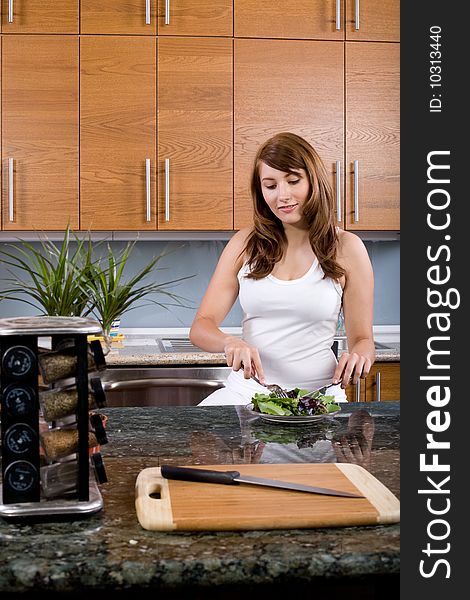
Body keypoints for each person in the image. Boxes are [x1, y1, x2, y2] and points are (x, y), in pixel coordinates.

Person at [190, 132, 375, 405]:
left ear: (313, 180)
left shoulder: (347, 247)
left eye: (293, 180)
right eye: (270, 185)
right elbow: (201, 327)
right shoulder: (245, 243)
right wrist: (230, 342)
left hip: (318, 402)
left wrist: (360, 356)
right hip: (248, 396)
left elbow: (362, 339)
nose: (283, 195)